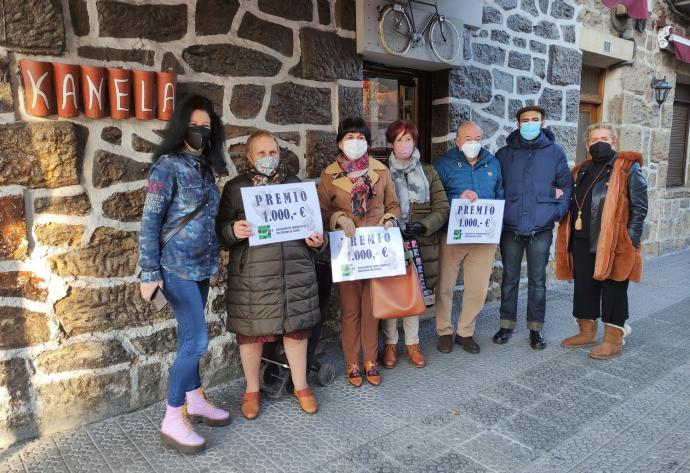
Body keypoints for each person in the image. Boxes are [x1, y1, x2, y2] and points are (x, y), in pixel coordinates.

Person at [138, 95, 229, 454]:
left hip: (203, 266)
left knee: (189, 338)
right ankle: (173, 418)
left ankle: (195, 398)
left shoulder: (205, 168)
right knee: (197, 342)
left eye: (207, 128)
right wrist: (149, 272)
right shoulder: (166, 166)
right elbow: (150, 222)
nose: (201, 133)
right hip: (175, 268)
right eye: (195, 126)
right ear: (181, 127)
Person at [216, 130, 324, 419]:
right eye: (261, 153)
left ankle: (301, 387)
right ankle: (251, 390)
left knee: (296, 329)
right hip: (254, 275)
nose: (268, 158)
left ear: (280, 154)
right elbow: (221, 232)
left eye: (273, 152)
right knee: (251, 333)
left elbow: (312, 226)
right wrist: (232, 230)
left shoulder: (294, 184)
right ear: (249, 157)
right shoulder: (236, 188)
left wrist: (317, 241)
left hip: (294, 270)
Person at [317, 117, 400, 387]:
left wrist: (389, 218)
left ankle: (370, 360)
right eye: (350, 137)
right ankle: (352, 361)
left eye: (361, 137)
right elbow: (320, 212)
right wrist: (338, 218)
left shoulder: (381, 171)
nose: (356, 141)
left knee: (371, 309)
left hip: (376, 252)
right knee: (351, 310)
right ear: (341, 142)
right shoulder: (329, 175)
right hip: (348, 254)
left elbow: (394, 205)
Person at [556, 123, 647, 359]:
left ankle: (613, 339)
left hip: (614, 242)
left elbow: (640, 208)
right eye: (594, 139)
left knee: (614, 288)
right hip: (582, 239)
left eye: (605, 138)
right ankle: (586, 332)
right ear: (587, 145)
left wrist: (630, 240)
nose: (599, 143)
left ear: (613, 142)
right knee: (584, 287)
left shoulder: (627, 168)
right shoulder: (581, 170)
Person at [494, 106, 573, 349]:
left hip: (541, 228)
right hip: (511, 227)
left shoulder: (555, 152)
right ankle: (506, 324)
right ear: (518, 124)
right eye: (525, 120)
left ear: (543, 123)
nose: (530, 124)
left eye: (535, 120)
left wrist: (556, 213)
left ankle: (535, 329)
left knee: (538, 280)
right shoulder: (505, 154)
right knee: (509, 278)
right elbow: (496, 187)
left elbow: (566, 187)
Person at [381, 120, 449, 369]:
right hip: (390, 243)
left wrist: (422, 226)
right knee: (390, 292)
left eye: (408, 139)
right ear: (391, 143)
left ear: (415, 142)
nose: (404, 144)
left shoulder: (429, 172)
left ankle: (412, 342)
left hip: (419, 243)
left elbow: (442, 208)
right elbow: (377, 207)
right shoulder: (380, 172)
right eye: (399, 140)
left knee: (413, 292)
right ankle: (390, 342)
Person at [433, 121, 504, 354]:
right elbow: (436, 199)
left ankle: (465, 332)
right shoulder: (444, 164)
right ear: (457, 141)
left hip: (483, 237)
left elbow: (500, 195)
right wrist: (457, 198)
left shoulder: (493, 163)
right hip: (452, 235)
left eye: (477, 138)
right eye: (467, 139)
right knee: (445, 285)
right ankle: (444, 331)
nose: (473, 143)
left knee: (478, 288)